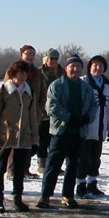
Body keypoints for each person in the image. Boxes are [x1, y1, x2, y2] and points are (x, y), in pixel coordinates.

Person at [36, 54, 98, 209]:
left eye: (78, 66)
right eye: (72, 66)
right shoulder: (57, 85)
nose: (75, 69)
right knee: (53, 165)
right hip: (61, 131)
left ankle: (68, 195)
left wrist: (86, 118)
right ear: (66, 68)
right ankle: (45, 195)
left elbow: (94, 105)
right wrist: (69, 118)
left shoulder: (86, 88)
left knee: (72, 166)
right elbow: (51, 107)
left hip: (79, 132)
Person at [0, 60, 39, 213]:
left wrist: (35, 140)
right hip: (5, 137)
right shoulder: (2, 92)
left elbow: (32, 118)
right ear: (13, 74)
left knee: (19, 170)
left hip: (23, 137)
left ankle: (17, 197)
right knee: (0, 168)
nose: (23, 76)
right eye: (20, 73)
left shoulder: (29, 93)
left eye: (25, 73)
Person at [76, 55, 109, 198]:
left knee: (95, 159)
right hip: (86, 129)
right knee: (83, 159)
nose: (98, 68)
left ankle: (92, 184)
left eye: (100, 66)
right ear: (90, 67)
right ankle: (80, 185)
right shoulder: (83, 82)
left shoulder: (106, 87)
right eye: (95, 65)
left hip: (100, 129)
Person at [5, 45, 47, 180]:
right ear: (21, 55)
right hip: (16, 112)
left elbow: (42, 92)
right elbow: (6, 89)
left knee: (28, 141)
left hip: (32, 112)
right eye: (27, 53)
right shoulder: (13, 69)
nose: (30, 56)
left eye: (32, 54)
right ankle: (11, 170)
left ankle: (25, 169)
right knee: (14, 141)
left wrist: (39, 109)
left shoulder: (37, 72)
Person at [38, 48, 64, 174]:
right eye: (51, 58)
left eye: (55, 58)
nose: (53, 61)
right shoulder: (39, 73)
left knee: (56, 141)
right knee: (43, 139)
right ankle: (42, 163)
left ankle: (54, 164)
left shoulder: (62, 72)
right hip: (43, 111)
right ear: (45, 59)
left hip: (58, 111)